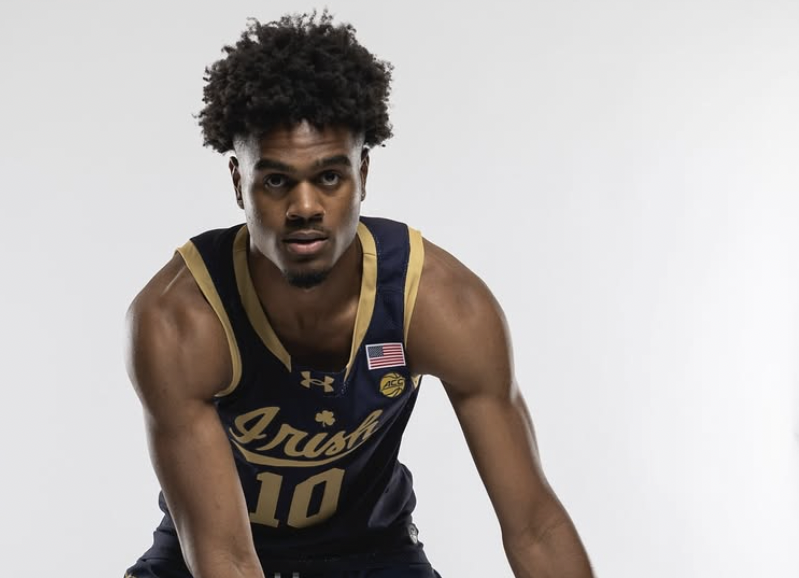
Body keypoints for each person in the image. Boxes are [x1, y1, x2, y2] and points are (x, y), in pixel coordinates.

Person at [123, 11, 593, 578]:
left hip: (371, 552)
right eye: (276, 180)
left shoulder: (439, 304)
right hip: (207, 553)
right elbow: (225, 557)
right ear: (237, 182)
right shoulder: (179, 319)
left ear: (362, 173)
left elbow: (535, 526)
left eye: (329, 177)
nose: (304, 207)